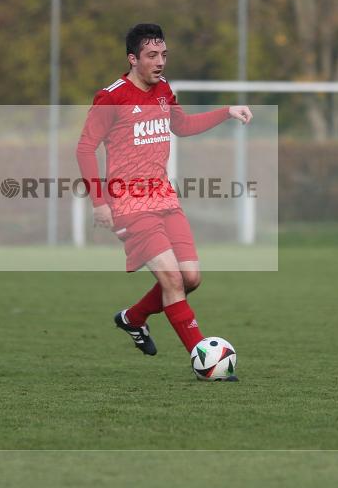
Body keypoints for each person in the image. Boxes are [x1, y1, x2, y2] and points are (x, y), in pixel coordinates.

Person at [75, 23, 252, 379]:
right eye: (152, 56)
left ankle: (133, 318)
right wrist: (99, 202)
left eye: (164, 55)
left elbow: (182, 126)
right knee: (172, 280)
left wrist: (226, 111)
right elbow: (84, 148)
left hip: (164, 198)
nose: (160, 62)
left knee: (191, 278)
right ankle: (205, 360)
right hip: (129, 203)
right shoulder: (111, 97)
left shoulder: (164, 90)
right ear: (133, 58)